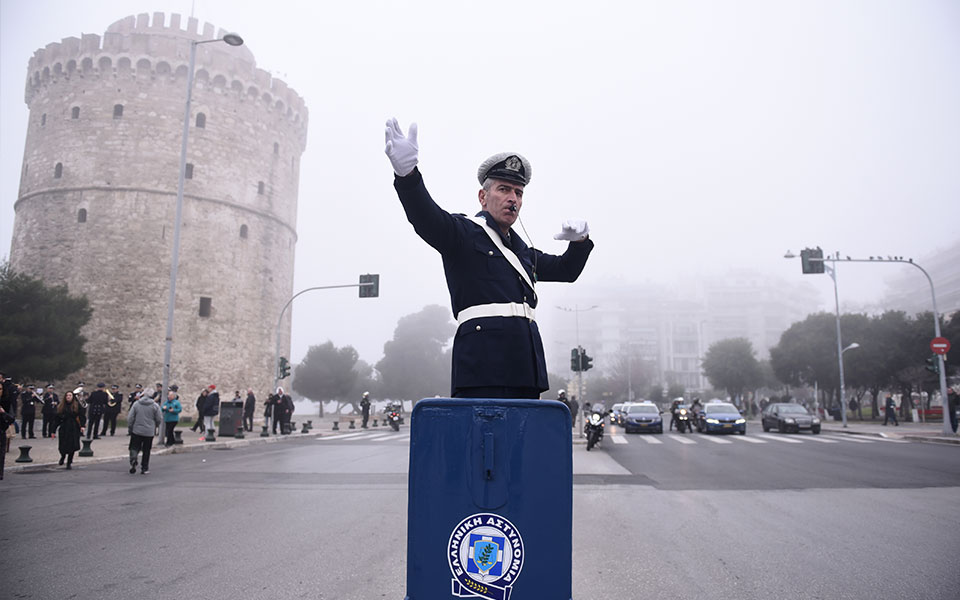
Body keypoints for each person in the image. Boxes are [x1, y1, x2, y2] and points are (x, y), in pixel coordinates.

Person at [385, 118, 594, 399]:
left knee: (520, 444)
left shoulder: (522, 252)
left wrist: (579, 243)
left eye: (518, 193)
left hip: (525, 370)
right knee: (482, 443)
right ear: (483, 196)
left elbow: (566, 270)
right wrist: (408, 175)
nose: (513, 199)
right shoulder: (463, 234)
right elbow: (426, 218)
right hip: (482, 368)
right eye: (504, 189)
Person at [128, 389, 162, 474]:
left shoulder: (136, 404)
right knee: (146, 450)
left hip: (137, 430)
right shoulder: (155, 406)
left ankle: (133, 458)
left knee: (134, 447)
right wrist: (155, 425)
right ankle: (144, 468)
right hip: (149, 431)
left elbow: (130, 417)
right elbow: (159, 418)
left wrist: (131, 427)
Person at [55, 390, 85, 469]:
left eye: (70, 395)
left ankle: (69, 462)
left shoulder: (76, 405)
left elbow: (82, 416)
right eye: (67, 395)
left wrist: (82, 426)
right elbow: (57, 418)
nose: (68, 397)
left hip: (73, 427)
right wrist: (53, 430)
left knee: (72, 446)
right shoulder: (61, 406)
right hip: (64, 427)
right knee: (62, 445)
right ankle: (63, 456)